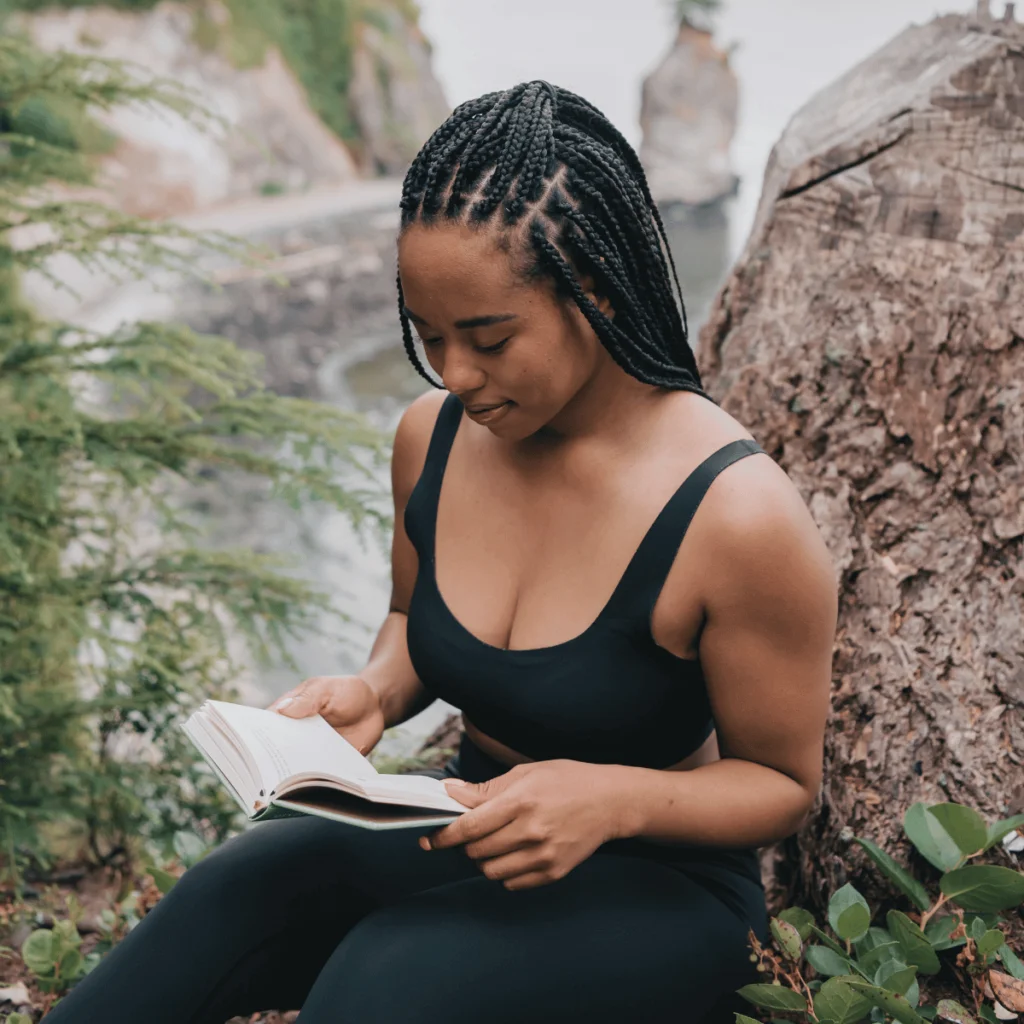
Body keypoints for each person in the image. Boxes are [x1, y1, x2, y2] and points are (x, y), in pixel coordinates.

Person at [45, 80, 836, 1024]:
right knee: (234, 888)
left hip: (662, 879)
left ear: (593, 289)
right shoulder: (434, 436)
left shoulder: (737, 515)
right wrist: (374, 693)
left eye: (491, 338)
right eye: (428, 338)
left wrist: (609, 800)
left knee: (384, 980)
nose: (458, 376)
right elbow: (412, 625)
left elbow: (783, 787)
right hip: (467, 820)